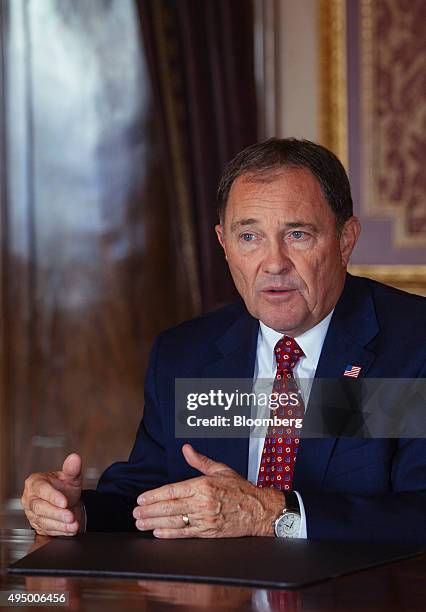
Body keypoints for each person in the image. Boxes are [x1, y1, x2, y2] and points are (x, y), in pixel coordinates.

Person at [21, 138, 426, 544]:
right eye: (249, 237)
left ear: (345, 240)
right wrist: (78, 512)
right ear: (224, 245)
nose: (273, 263)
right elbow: (149, 496)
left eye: (298, 234)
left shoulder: (412, 345)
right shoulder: (185, 354)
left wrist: (271, 514)